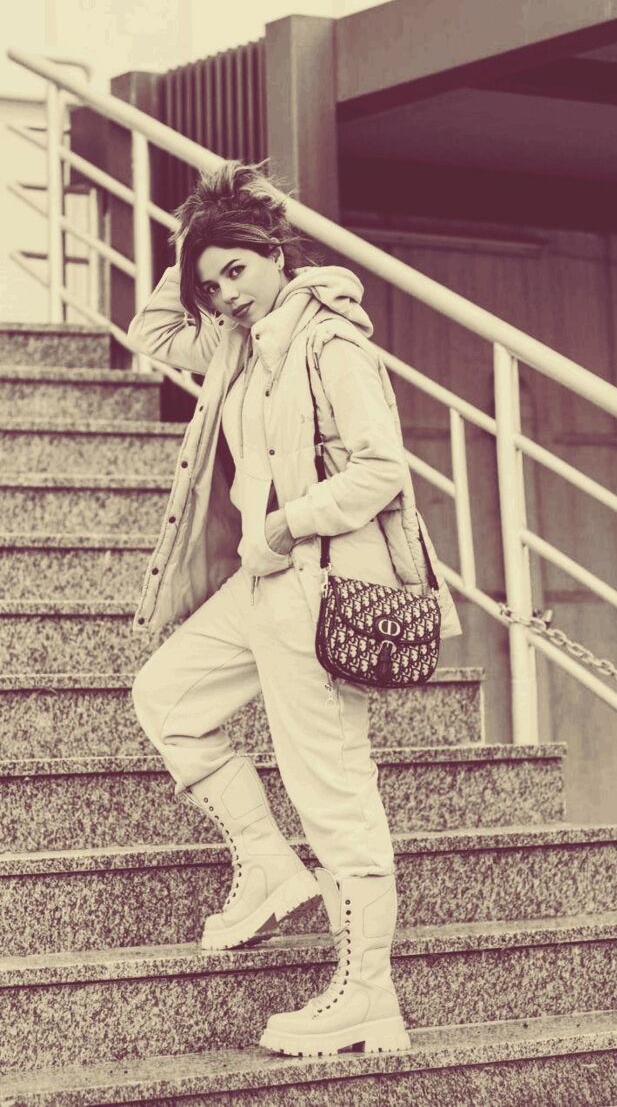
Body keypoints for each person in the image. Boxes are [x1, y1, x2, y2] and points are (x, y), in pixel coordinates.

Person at [127, 159, 462, 1059]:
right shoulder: (237, 345)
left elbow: (382, 468)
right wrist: (195, 234)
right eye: (210, 286)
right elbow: (153, 330)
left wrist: (284, 525)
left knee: (334, 797)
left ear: (276, 255)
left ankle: (367, 995)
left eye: (236, 270)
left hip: (314, 585)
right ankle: (272, 869)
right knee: (166, 698)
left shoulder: (330, 342)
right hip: (262, 588)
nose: (224, 296)